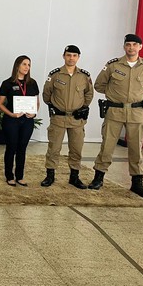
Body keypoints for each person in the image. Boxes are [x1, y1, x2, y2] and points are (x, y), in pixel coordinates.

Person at [88, 34, 143, 198]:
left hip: (137, 113)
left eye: (135, 45)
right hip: (115, 112)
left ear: (140, 47)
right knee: (107, 146)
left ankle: (137, 183)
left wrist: (141, 96)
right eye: (128, 44)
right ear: (124, 47)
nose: (131, 48)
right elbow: (99, 85)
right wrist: (114, 95)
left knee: (136, 148)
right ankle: (98, 178)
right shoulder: (113, 65)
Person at [41, 45, 94, 189]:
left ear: (78, 57)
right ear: (63, 56)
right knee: (54, 148)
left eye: (74, 55)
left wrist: (83, 107)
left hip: (77, 120)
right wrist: (53, 105)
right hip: (58, 118)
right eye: (69, 55)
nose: (71, 58)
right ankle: (50, 175)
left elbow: (89, 93)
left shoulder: (84, 76)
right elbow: (46, 94)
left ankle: (74, 177)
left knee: (76, 149)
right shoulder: (55, 75)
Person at [0, 55, 40, 186]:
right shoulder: (7, 83)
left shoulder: (32, 83)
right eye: (24, 64)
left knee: (22, 148)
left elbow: (36, 102)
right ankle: (9, 176)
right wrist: (11, 114)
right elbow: (0, 103)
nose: (27, 67)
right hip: (12, 121)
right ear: (17, 66)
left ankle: (20, 176)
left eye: (29, 65)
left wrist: (33, 113)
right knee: (11, 147)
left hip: (27, 121)